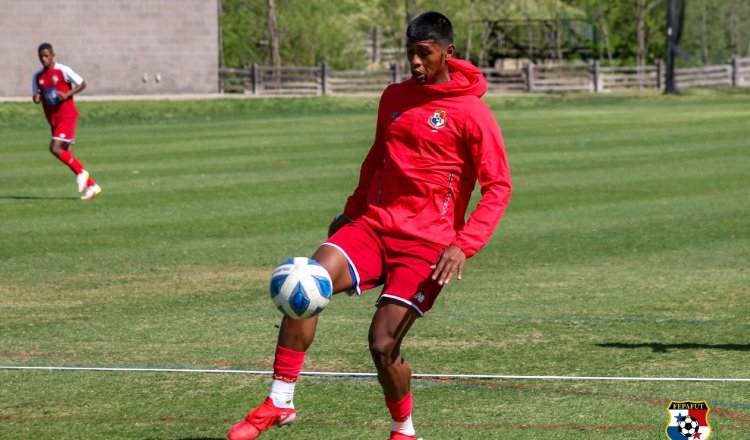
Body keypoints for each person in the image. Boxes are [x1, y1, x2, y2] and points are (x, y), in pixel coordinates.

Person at [228, 11, 511, 440]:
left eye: (425, 54)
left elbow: (498, 187)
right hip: (375, 227)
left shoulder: (472, 114)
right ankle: (279, 401)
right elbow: (376, 160)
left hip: (427, 247)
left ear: (448, 53)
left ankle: (403, 429)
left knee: (382, 344)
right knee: (308, 278)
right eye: (410, 53)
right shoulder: (393, 97)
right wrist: (351, 211)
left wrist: (464, 244)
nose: (415, 62)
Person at [33, 42, 101, 200]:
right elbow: (38, 93)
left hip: (67, 116)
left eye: (46, 56)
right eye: (41, 57)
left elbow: (82, 83)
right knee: (67, 155)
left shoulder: (63, 70)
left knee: (54, 147)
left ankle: (83, 172)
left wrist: (67, 94)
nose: (44, 59)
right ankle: (93, 186)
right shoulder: (37, 77)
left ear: (52, 55)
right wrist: (36, 97)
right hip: (53, 119)